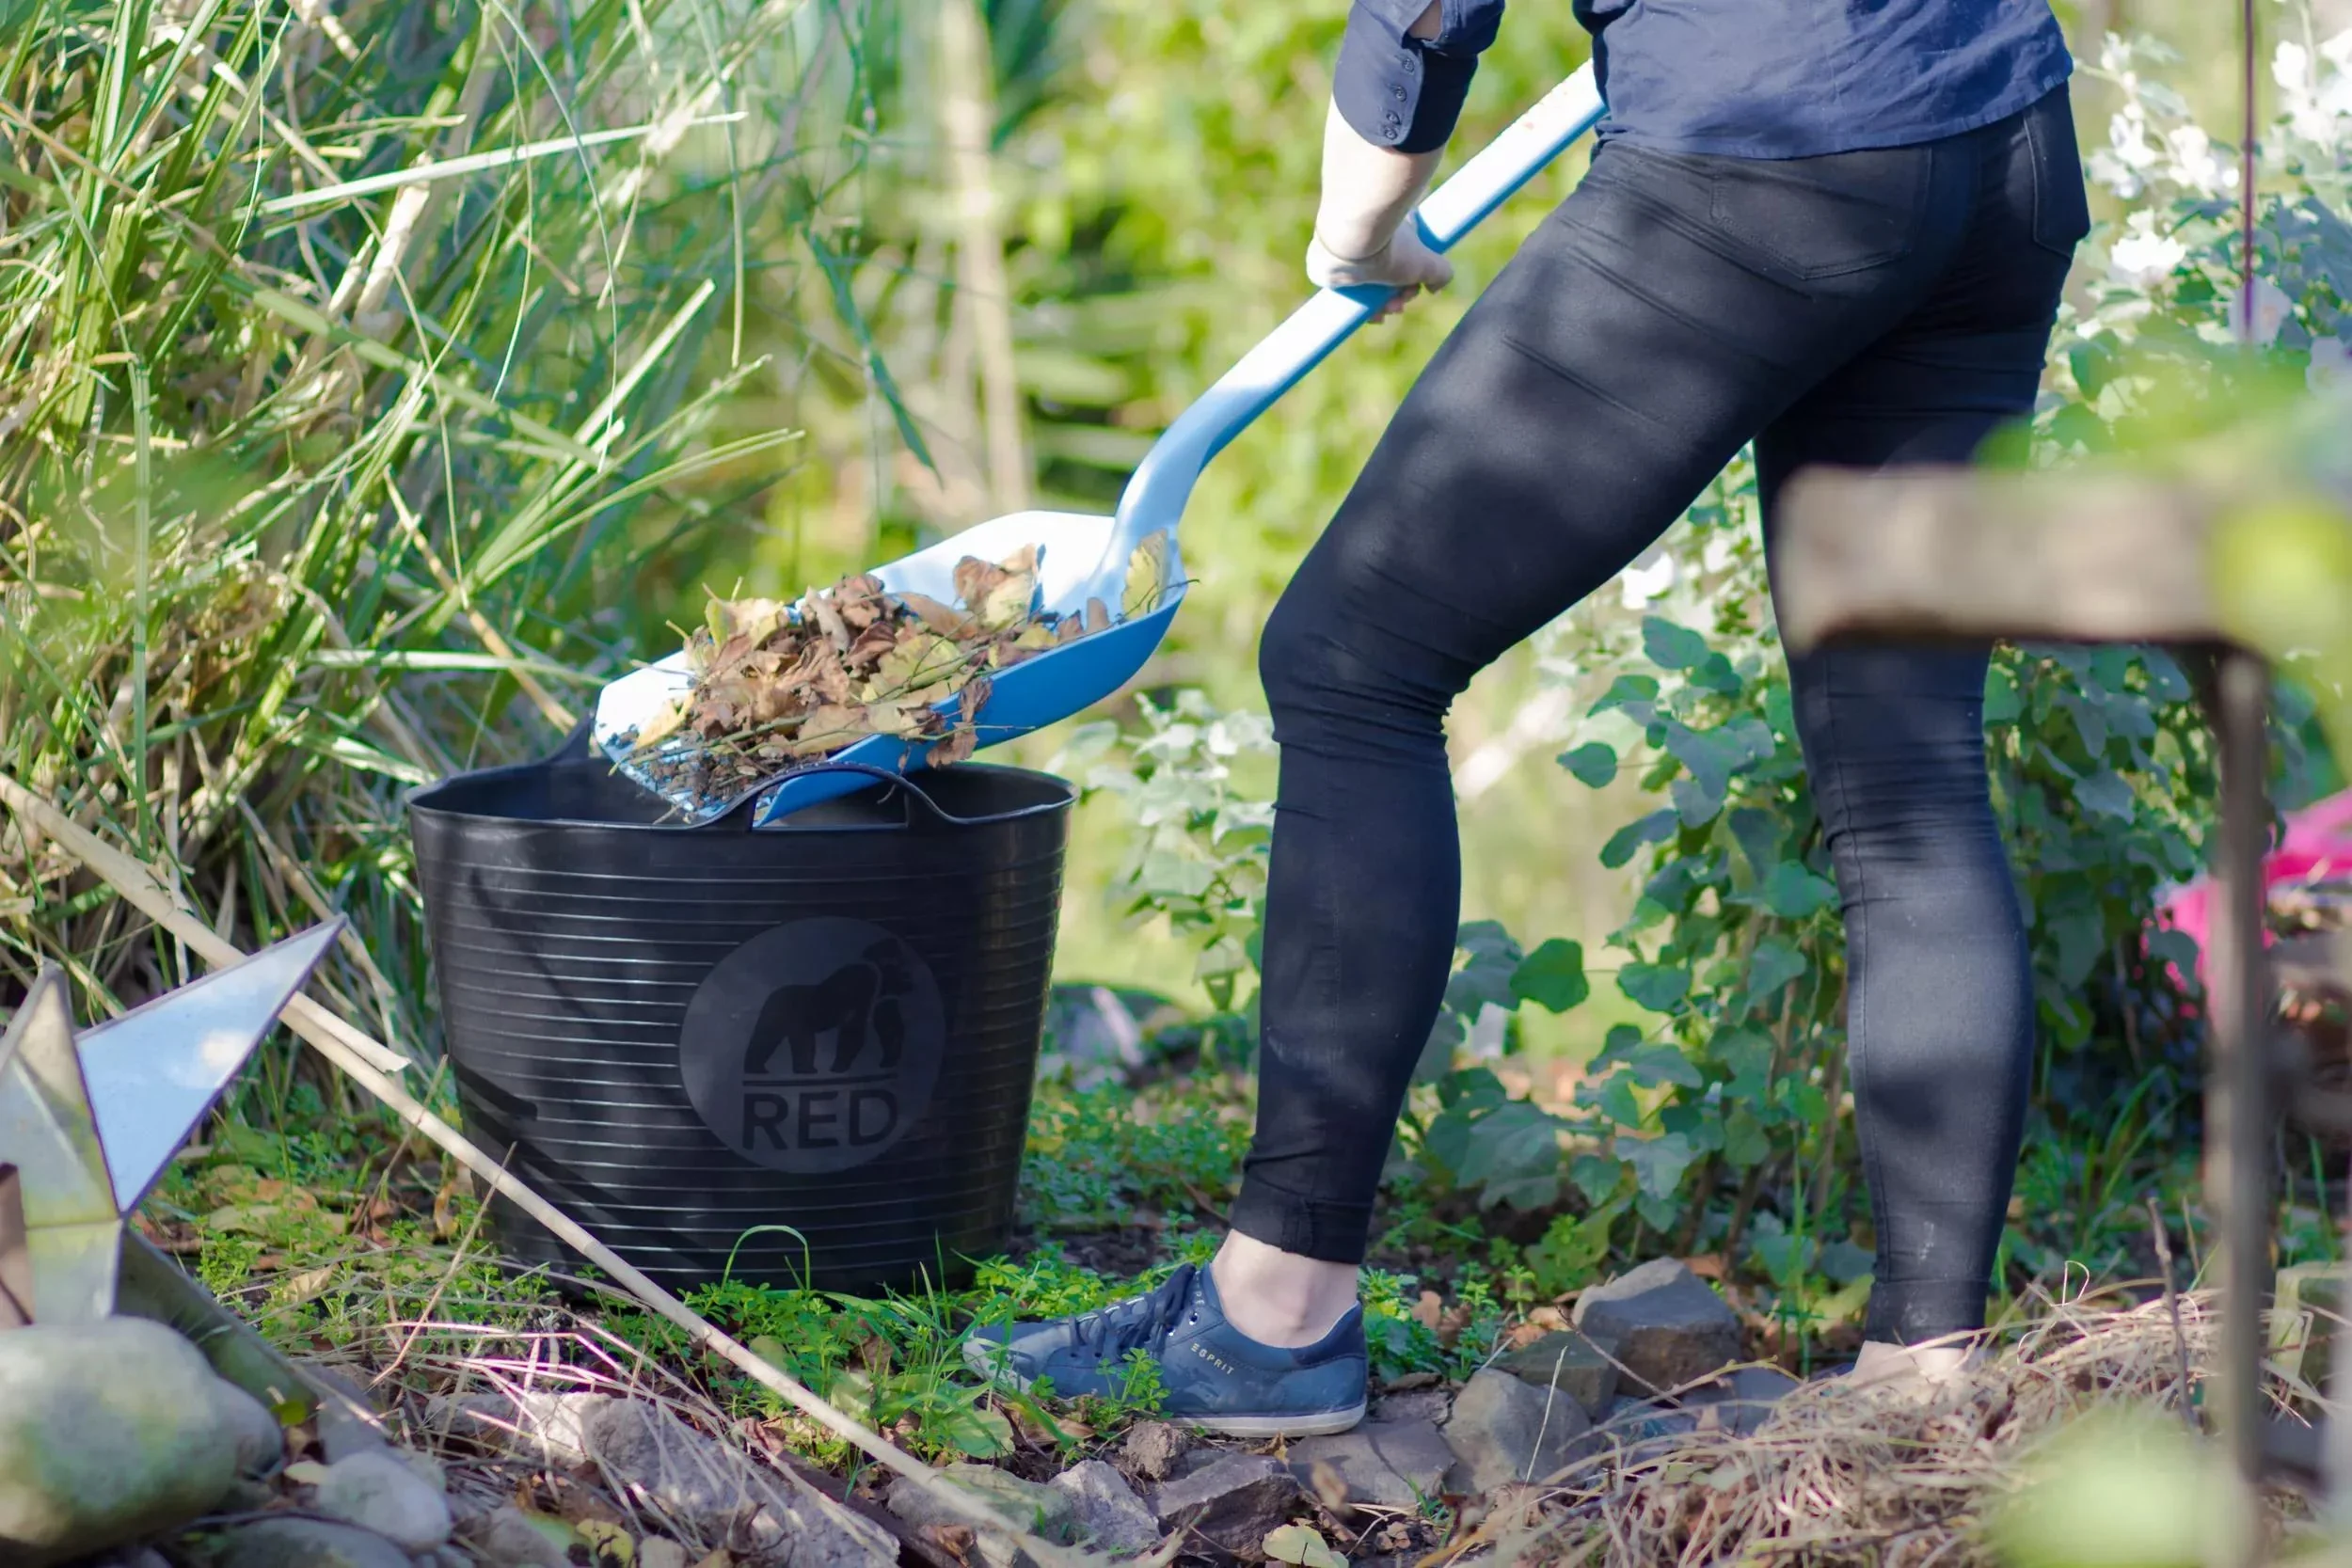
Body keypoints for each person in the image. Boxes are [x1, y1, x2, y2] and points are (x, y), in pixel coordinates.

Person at [970, 0, 2087, 1434]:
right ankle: (1924, 1378)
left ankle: (1275, 1313)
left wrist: (1361, 222)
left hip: (1763, 155)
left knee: (1350, 661)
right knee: (1908, 766)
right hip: (1999, 141)